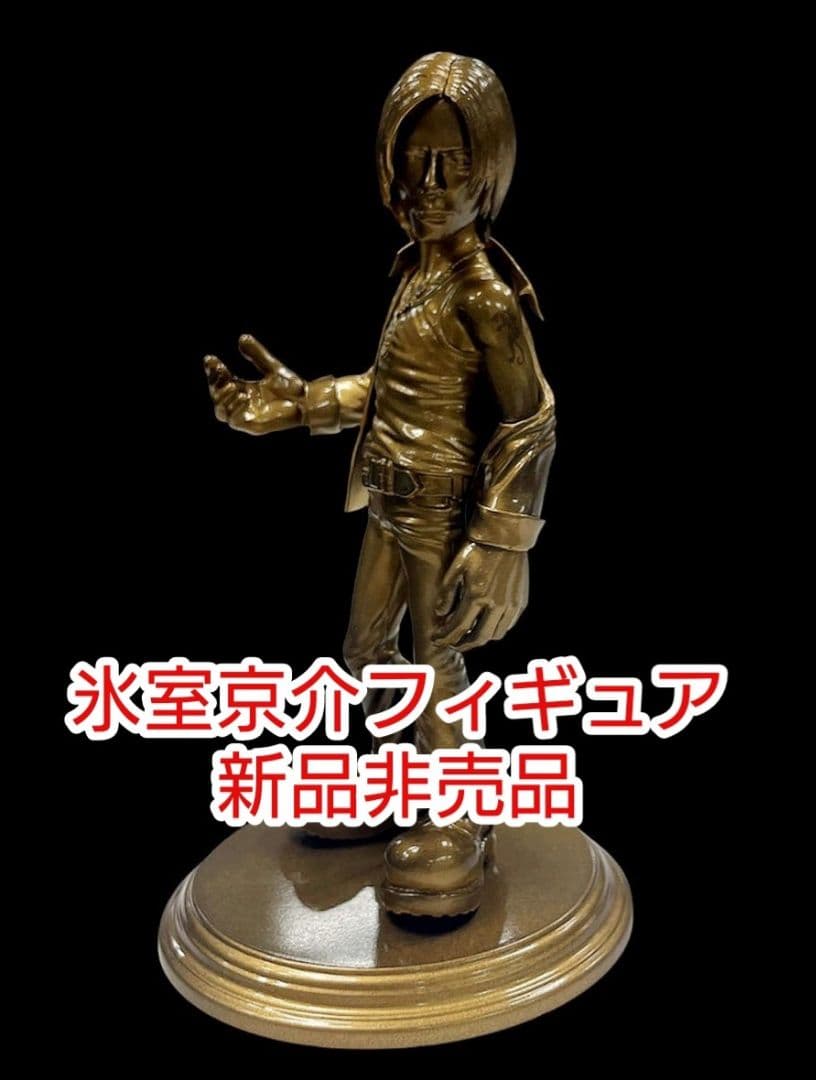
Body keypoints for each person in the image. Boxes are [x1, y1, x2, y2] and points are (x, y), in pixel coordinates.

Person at [204, 52, 556, 917]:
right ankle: (407, 782)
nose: (433, 184)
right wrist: (301, 405)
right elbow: (392, 388)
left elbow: (532, 417)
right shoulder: (418, 272)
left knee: (437, 663)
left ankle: (460, 816)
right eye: (416, 159)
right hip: (390, 504)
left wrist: (503, 543)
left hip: (439, 508)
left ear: (491, 169)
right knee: (366, 654)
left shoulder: (486, 296)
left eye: (455, 162)